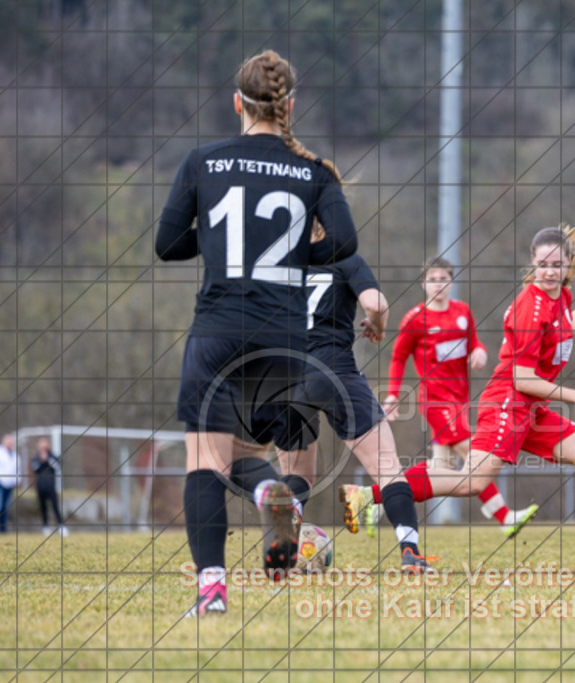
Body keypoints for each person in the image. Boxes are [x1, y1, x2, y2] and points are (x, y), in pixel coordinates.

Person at [156, 50, 359, 616]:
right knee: (249, 450)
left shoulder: (203, 161)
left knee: (206, 460)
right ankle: (272, 493)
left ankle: (212, 590)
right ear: (290, 105)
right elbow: (344, 243)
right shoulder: (314, 171)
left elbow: (167, 244)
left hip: (219, 328)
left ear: (236, 102)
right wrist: (294, 252)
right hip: (285, 338)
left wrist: (219, 239)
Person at [378, 226, 575, 570]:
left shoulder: (561, 297)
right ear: (532, 263)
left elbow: (566, 326)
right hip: (508, 402)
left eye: (557, 264)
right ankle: (375, 494)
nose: (549, 271)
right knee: (472, 481)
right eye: (543, 265)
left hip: (531, 408)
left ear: (569, 263)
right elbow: (522, 378)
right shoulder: (530, 306)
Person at [263, 225, 431, 573]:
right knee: (387, 468)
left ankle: (283, 546)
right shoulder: (344, 258)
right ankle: (410, 552)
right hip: (333, 371)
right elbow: (376, 303)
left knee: (297, 476)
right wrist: (377, 325)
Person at [374, 257, 537, 537]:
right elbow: (398, 358)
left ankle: (374, 498)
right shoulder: (415, 318)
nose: (438, 285)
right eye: (432, 280)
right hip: (435, 401)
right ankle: (505, 516)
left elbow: (475, 344)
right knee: (474, 453)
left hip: (460, 401)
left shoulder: (462, 311)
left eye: (443, 279)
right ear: (423, 284)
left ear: (451, 281)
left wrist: (480, 352)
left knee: (442, 469)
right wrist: (392, 395)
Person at [32, 437, 67, 536]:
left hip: (51, 486)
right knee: (43, 507)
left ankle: (61, 526)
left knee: (55, 506)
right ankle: (45, 527)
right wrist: (41, 460)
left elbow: (57, 466)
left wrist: (47, 459)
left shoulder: (52, 456)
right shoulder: (36, 457)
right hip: (40, 486)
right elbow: (35, 469)